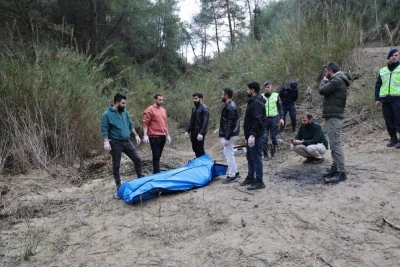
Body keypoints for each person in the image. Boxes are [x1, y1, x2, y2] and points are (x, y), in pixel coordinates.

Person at [101, 93, 142, 191]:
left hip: (126, 141)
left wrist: (136, 135)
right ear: (117, 102)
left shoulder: (125, 112)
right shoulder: (107, 114)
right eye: (123, 103)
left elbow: (130, 124)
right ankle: (118, 185)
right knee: (116, 165)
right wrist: (106, 141)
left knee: (137, 159)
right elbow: (104, 129)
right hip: (115, 143)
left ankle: (140, 178)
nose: (125, 105)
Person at [319, 62, 350, 184]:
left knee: (335, 144)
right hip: (332, 115)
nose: (325, 72)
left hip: (334, 116)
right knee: (333, 143)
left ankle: (341, 172)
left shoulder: (336, 80)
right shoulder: (337, 79)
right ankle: (336, 168)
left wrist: (324, 80)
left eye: (326, 70)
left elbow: (322, 90)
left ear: (330, 71)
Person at [240, 81, 267, 190]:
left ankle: (260, 182)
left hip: (257, 135)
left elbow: (257, 120)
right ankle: (251, 177)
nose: (247, 91)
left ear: (252, 90)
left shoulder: (256, 103)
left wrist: (252, 135)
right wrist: (248, 135)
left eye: (248, 89)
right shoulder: (253, 101)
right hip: (252, 135)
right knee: (250, 157)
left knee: (256, 158)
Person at [375, 48, 400, 149]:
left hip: (398, 98)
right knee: (389, 120)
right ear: (388, 57)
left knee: (399, 120)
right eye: (392, 55)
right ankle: (393, 139)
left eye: (396, 55)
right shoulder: (382, 71)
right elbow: (378, 86)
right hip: (385, 100)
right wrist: (377, 99)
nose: (394, 57)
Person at [142, 93, 171, 174]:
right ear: (155, 99)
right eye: (159, 100)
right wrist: (145, 135)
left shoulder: (163, 110)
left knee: (158, 155)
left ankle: (157, 171)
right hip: (154, 136)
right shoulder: (149, 109)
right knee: (156, 156)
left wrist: (167, 135)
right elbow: (145, 123)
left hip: (163, 136)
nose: (161, 101)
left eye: (162, 100)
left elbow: (165, 123)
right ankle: (156, 173)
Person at [219, 88, 240, 184]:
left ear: (226, 95)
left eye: (222, 94)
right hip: (230, 134)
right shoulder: (230, 105)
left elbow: (230, 123)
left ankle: (232, 175)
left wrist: (226, 137)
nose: (221, 96)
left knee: (229, 154)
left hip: (230, 135)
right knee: (229, 153)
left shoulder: (230, 107)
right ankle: (235, 172)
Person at [262, 80, 284, 160]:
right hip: (264, 119)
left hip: (274, 118)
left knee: (273, 137)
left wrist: (281, 118)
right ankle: (265, 155)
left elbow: (280, 108)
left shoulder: (276, 95)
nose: (266, 89)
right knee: (264, 137)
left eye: (268, 87)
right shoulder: (261, 97)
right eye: (265, 87)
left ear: (271, 87)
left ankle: (273, 151)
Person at [185, 93, 209, 157]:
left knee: (200, 148)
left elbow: (205, 122)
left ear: (200, 98)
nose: (194, 100)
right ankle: (199, 162)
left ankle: (203, 163)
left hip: (200, 132)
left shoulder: (204, 108)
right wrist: (187, 130)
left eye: (196, 98)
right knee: (194, 148)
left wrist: (201, 133)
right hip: (193, 132)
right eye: (193, 99)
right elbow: (191, 120)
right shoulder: (194, 108)